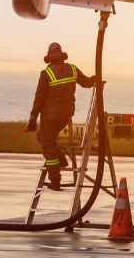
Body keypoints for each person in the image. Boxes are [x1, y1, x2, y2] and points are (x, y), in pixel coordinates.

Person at [27, 41, 96, 190]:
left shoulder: (46, 73)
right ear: (62, 56)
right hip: (67, 114)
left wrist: (33, 117)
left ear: (50, 58)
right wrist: (96, 79)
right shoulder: (72, 69)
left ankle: (55, 179)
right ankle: (62, 160)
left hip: (50, 116)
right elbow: (87, 83)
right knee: (44, 137)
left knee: (47, 144)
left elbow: (39, 97)